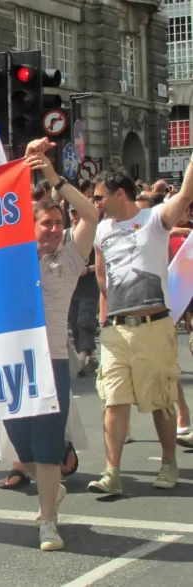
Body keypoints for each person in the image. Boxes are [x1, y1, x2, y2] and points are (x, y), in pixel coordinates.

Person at [4, 139, 99, 551]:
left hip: (53, 361)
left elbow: (92, 214)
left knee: (45, 450)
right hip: (12, 364)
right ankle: (50, 489)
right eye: (47, 223)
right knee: (24, 450)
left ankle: (48, 522)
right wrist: (22, 169)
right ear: (30, 227)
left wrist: (53, 177)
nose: (56, 228)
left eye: (59, 223)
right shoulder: (11, 256)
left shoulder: (71, 259)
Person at [89, 157, 193, 495]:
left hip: (153, 324)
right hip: (116, 329)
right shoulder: (102, 229)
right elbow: (102, 274)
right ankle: (112, 472)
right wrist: (111, 312)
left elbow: (187, 194)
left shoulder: (155, 219)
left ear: (120, 194)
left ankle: (168, 463)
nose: (96, 203)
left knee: (161, 399)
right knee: (113, 401)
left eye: (100, 196)